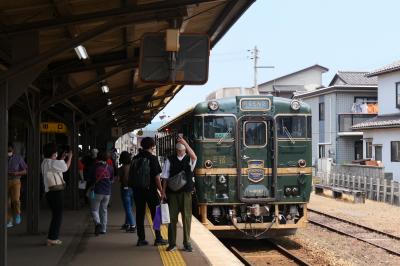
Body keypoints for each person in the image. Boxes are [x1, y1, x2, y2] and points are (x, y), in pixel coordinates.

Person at [161, 136, 197, 252]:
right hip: (172, 193)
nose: (181, 152)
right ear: (176, 150)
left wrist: (185, 143)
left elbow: (194, 156)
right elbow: (165, 177)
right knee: (172, 219)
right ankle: (172, 244)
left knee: (186, 218)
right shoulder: (169, 159)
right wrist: (163, 191)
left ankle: (187, 243)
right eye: (179, 150)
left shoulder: (189, 159)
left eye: (183, 150)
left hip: (186, 192)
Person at [130, 137, 167, 246]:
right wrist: (161, 191)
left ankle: (141, 239)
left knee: (140, 214)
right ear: (152, 146)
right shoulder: (153, 158)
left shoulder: (135, 158)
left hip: (137, 190)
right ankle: (158, 237)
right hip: (150, 190)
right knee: (156, 214)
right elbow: (156, 177)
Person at [41, 143, 72, 246]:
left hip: (49, 192)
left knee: (55, 215)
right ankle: (52, 238)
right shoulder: (53, 162)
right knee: (58, 216)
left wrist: (62, 158)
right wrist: (70, 157)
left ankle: (52, 237)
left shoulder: (45, 162)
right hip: (56, 192)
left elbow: (59, 166)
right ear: (54, 153)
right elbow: (65, 167)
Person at [87, 151, 114, 236]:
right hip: (107, 192)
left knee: (94, 210)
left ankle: (98, 223)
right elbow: (112, 180)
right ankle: (104, 229)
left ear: (97, 157)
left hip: (96, 191)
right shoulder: (110, 168)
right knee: (104, 210)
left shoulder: (94, 167)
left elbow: (88, 178)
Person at [7, 142, 28, 228]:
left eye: (9, 150)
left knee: (15, 200)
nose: (8, 151)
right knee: (6, 202)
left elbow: (25, 170)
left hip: (16, 180)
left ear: (13, 150)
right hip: (5, 181)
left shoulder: (18, 158)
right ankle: (9, 220)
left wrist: (16, 173)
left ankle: (17, 214)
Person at [118, 151, 136, 233]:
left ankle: (132, 225)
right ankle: (127, 224)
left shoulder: (122, 168)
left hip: (125, 189)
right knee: (129, 207)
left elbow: (120, 179)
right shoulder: (133, 166)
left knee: (127, 208)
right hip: (133, 188)